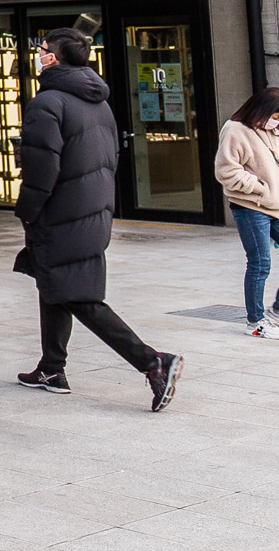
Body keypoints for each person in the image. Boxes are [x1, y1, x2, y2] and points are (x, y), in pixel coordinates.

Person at [14, 27, 183, 410]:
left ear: (53, 58)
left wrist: (27, 211)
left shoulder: (48, 102)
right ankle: (51, 368)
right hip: (92, 211)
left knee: (78, 295)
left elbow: (41, 168)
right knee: (53, 283)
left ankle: (152, 361)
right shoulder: (98, 101)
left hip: (60, 213)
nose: (39, 54)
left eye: (41, 49)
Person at [213, 87, 279, 340]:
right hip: (252, 208)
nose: (277, 122)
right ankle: (255, 322)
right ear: (260, 108)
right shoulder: (235, 129)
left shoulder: (273, 131)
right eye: (275, 116)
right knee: (259, 264)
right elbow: (225, 170)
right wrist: (260, 188)